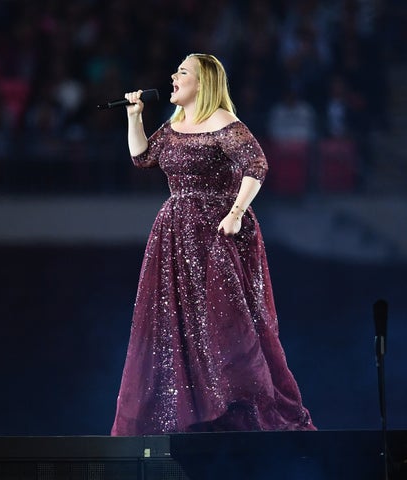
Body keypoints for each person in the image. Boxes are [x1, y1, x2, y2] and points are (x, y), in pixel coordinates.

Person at [110, 53, 315, 435]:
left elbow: (257, 166)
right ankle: (193, 412)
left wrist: (236, 213)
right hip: (175, 235)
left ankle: (235, 406)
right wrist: (134, 115)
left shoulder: (222, 121)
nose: (173, 76)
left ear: (202, 83)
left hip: (215, 234)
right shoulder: (174, 125)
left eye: (182, 71)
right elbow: (142, 158)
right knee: (178, 324)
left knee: (224, 322)